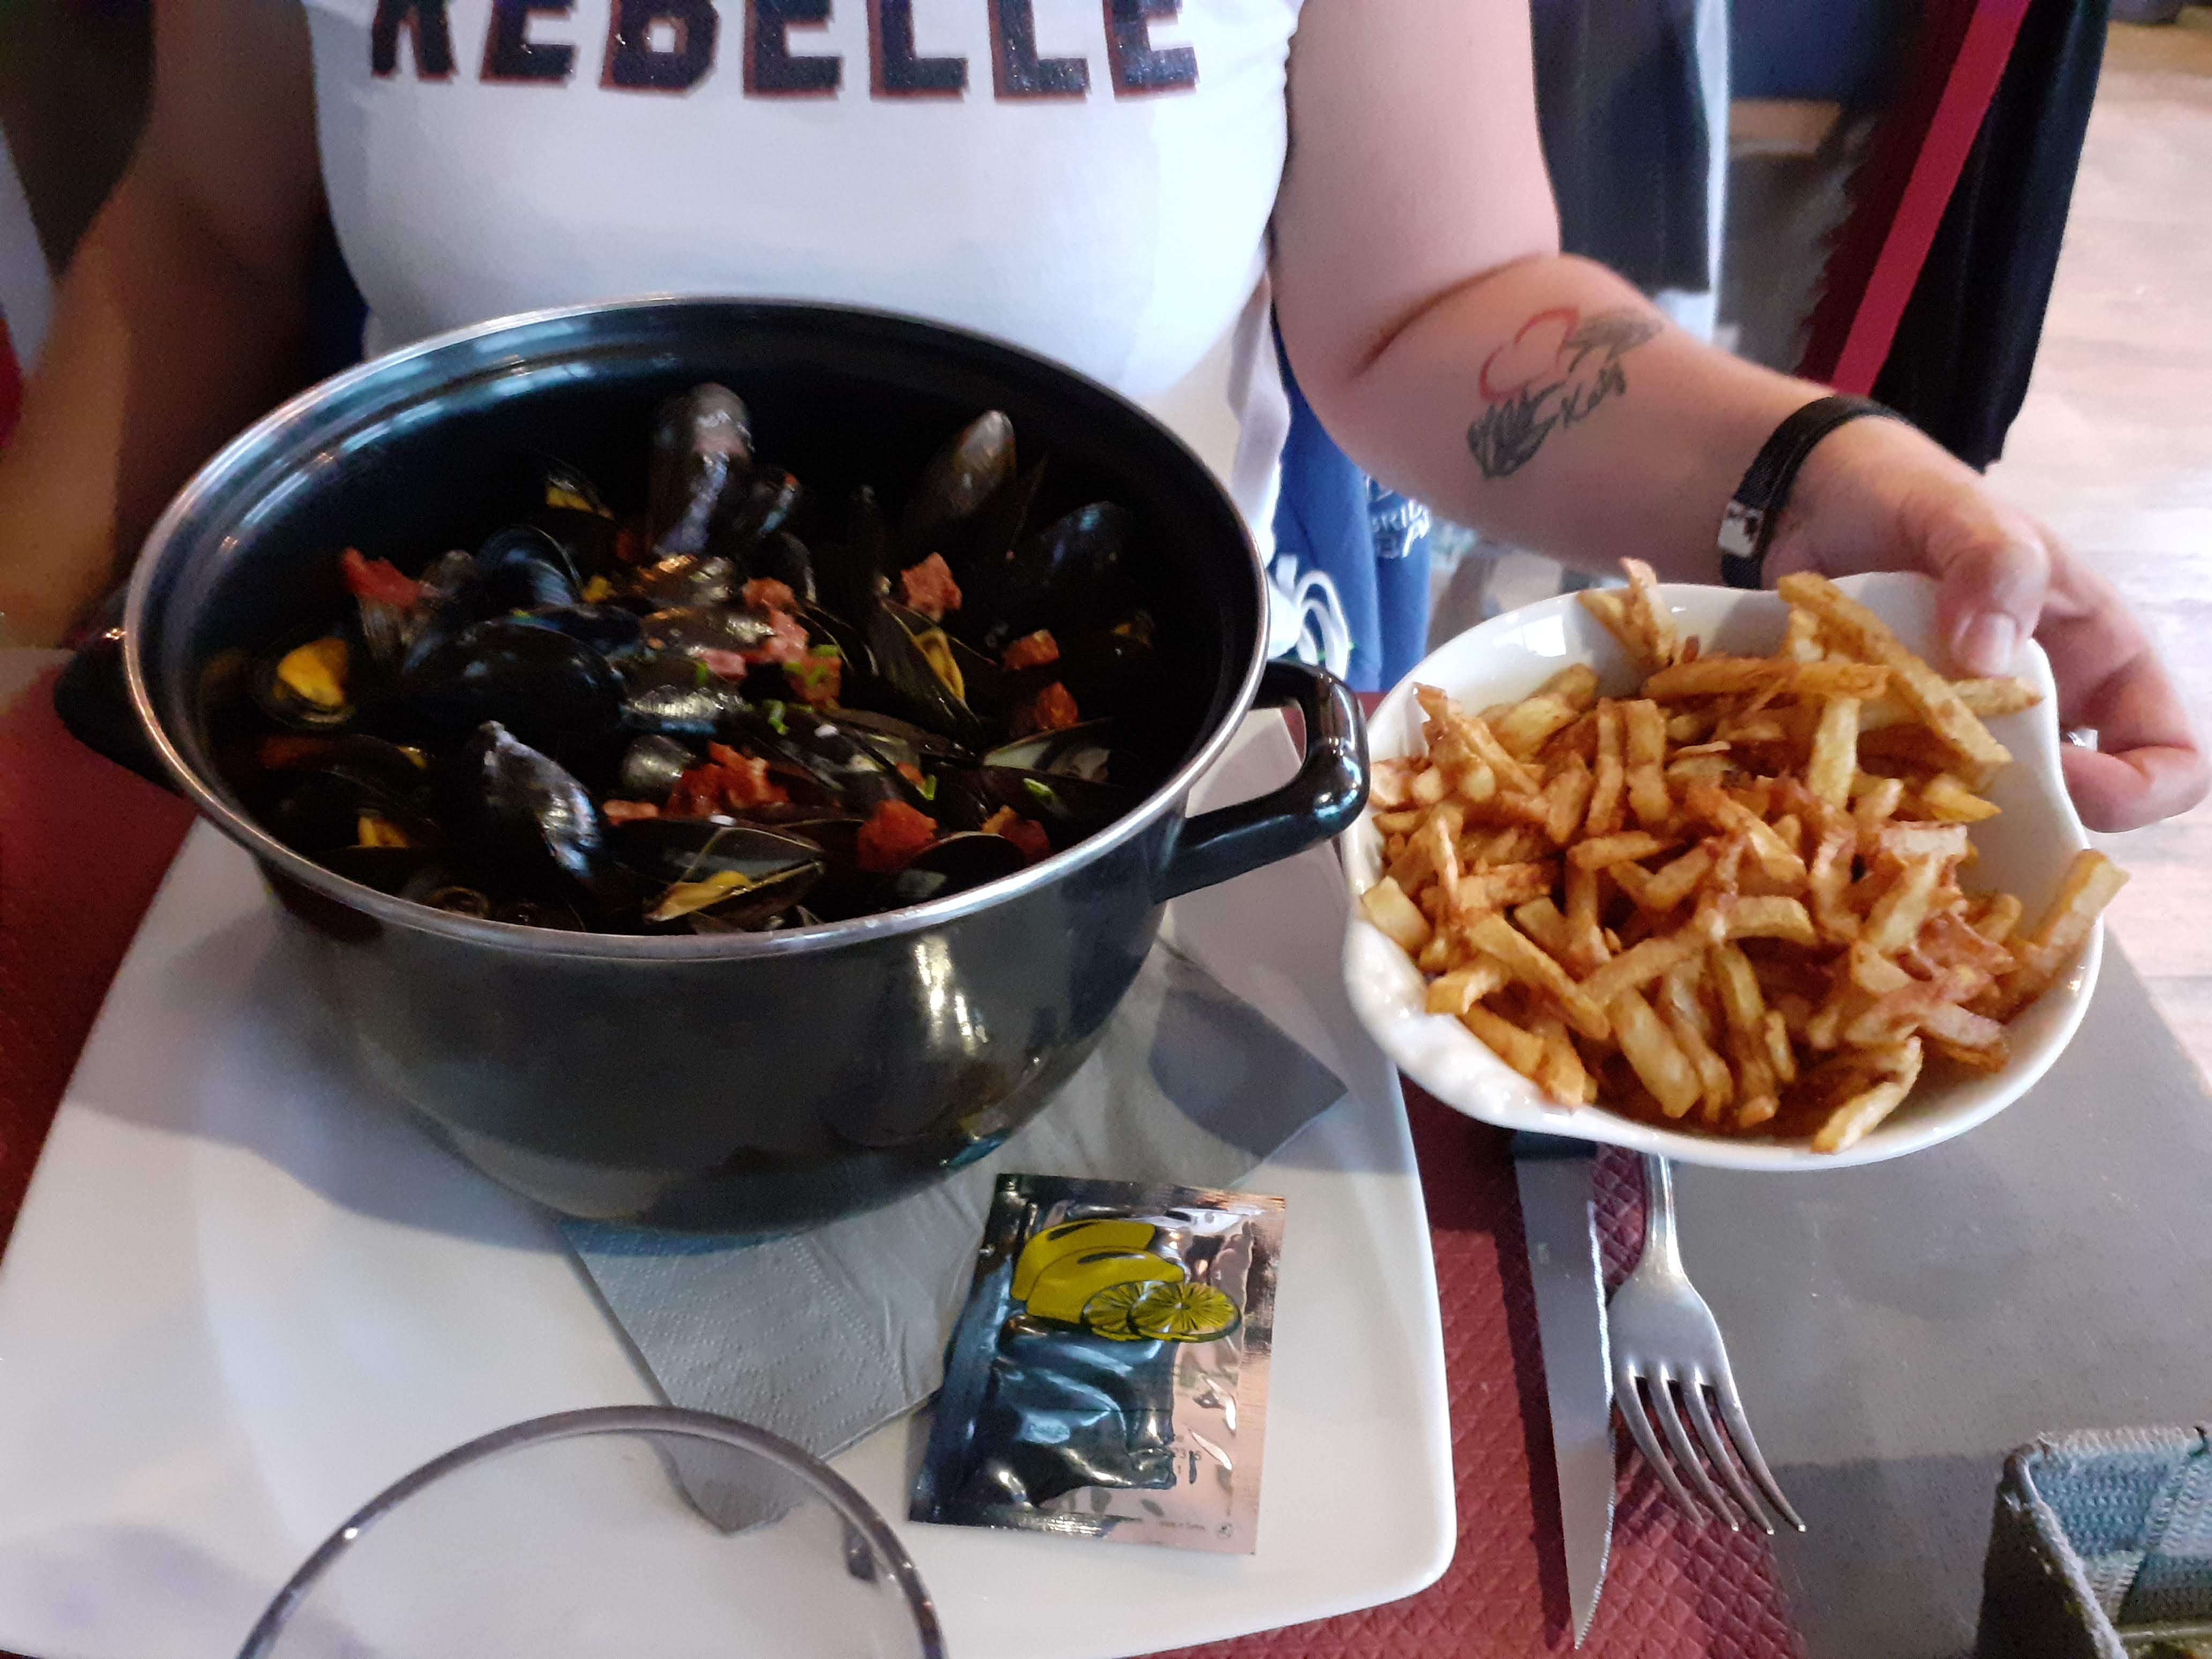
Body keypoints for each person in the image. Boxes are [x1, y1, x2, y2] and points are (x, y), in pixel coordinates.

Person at [0, 0, 2198, 832]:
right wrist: (14, 663)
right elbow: (203, 233)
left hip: (1121, 821)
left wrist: (1817, 478)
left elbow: (1440, 308)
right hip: (427, 839)